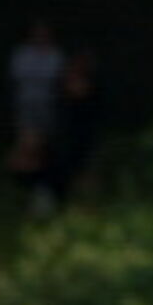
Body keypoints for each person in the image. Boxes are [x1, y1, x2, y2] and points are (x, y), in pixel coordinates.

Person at [7, 18, 66, 184]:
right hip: (25, 105)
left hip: (48, 106)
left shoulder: (56, 54)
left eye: (44, 33)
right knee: (26, 143)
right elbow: (18, 75)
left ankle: (46, 181)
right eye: (37, 33)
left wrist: (37, 77)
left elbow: (55, 77)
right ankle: (23, 180)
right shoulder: (21, 53)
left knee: (45, 145)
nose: (40, 36)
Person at [43, 46, 102, 207]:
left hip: (84, 137)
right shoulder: (61, 83)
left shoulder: (93, 84)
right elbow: (58, 108)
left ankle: (86, 205)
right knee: (59, 170)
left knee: (85, 169)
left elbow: (92, 109)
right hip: (63, 137)